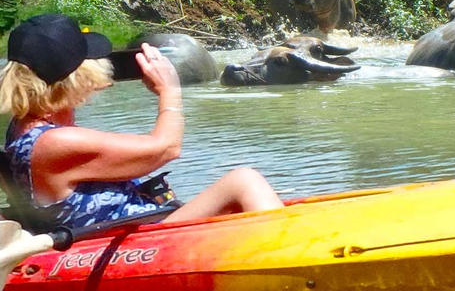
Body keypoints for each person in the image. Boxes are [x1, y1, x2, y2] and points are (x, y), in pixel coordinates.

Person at [0, 13, 284, 229]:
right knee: (244, 181)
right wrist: (169, 91)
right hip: (132, 240)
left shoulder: (25, 128)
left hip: (133, 227)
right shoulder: (54, 144)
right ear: (78, 78)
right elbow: (166, 148)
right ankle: (294, 260)